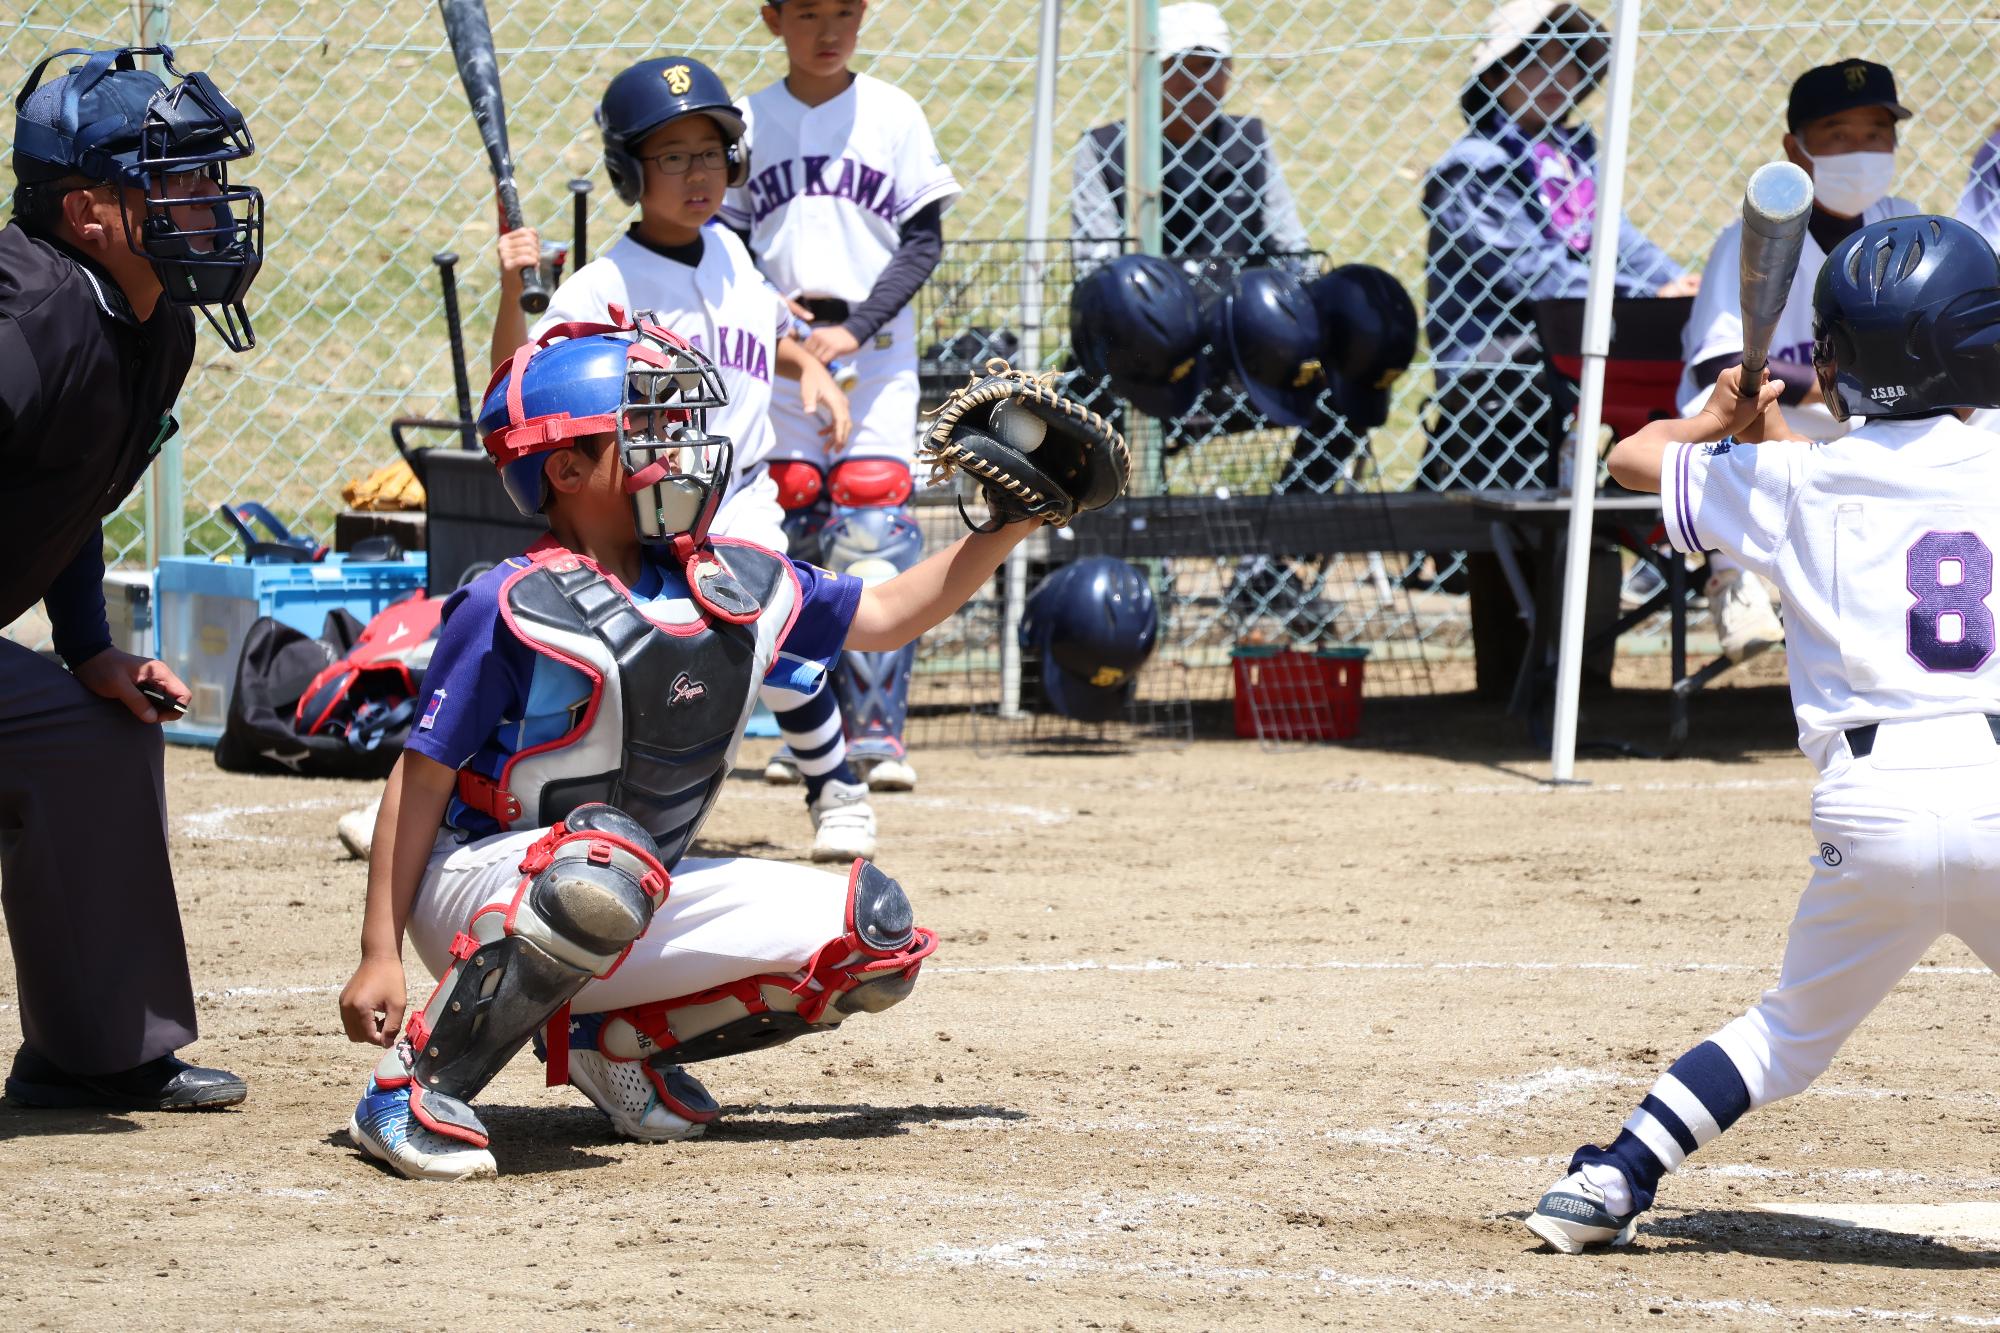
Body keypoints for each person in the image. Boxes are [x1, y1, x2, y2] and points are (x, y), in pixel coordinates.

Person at [335, 316, 1062, 1180]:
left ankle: (617, 1043)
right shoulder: (509, 602)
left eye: (678, 426)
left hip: (620, 883)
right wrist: (379, 951)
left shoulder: (737, 577)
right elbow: (416, 785)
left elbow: (887, 613)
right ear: (564, 468)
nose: (678, 449)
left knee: (873, 940)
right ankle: (413, 1085)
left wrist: (1009, 524)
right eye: (644, 429)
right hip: (476, 888)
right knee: (601, 863)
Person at [1525, 214, 2000, 1254]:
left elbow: (1630, 457)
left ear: (1835, 356)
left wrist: (1716, 414)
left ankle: (1609, 1180)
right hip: (1993, 791)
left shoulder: (1796, 481)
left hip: (1867, 811)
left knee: (1784, 1033)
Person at [488, 56, 872, 864]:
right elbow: (515, 385)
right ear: (631, 170)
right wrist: (509, 291)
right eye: (671, 156)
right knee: (606, 660)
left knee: (767, 634)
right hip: (642, 516)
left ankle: (837, 787)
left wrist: (814, 376)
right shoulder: (602, 286)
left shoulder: (733, 254)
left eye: (710, 152)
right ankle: (486, 787)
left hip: (735, 498)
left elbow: (768, 332)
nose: (697, 173)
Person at [0, 45, 263, 1110]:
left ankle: (96, 1050)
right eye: (177, 181)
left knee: (95, 733)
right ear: (87, 212)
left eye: (208, 177)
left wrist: (89, 649)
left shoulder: (152, 318)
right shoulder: (25, 318)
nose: (207, 204)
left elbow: (71, 493)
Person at [721, 0, 961, 794]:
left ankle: (877, 733)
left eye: (847, 12)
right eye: (809, 13)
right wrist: (767, 307)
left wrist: (858, 327)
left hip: (877, 352)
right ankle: (807, 728)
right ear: (771, 18)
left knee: (872, 512)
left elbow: (923, 240)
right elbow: (725, 238)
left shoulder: (893, 113)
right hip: (781, 356)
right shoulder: (749, 121)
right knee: (788, 519)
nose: (829, 31)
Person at [1421, 1, 1693, 696]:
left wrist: (1671, 280)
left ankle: (1600, 645)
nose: (1553, 76)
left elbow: (1618, 240)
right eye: (1532, 61)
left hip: (1582, 351)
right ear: (1498, 76)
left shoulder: (1572, 160)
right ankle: (1526, 667)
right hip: (1501, 363)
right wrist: (1642, 294)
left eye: (1566, 62)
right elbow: (1538, 274)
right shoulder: (1472, 168)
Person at [1676, 60, 1916, 663]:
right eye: (1837, 133)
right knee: (1737, 424)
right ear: (1795, 146)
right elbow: (1719, 366)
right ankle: (1735, 578)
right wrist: (1840, 384)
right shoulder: (1750, 239)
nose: (1860, 150)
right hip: (1769, 420)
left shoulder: (1906, 226)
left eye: (1875, 133)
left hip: (1868, 425)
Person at [1069, 3, 1310, 271]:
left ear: (1229, 69)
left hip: (1239, 307)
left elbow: (1291, 247)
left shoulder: (1248, 140)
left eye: (1208, 64)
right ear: (1150, 74)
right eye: (1180, 66)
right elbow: (1096, 268)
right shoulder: (1107, 150)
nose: (1197, 81)